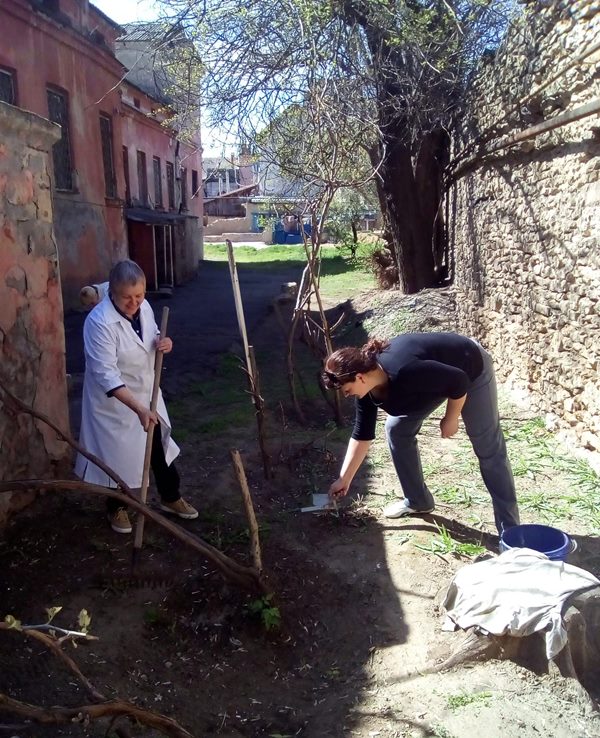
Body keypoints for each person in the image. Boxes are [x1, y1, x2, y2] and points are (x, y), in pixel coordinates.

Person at [323, 333, 520, 534]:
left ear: (359, 377)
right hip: (434, 380)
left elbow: (459, 381)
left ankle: (511, 531)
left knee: (488, 446)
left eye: (347, 390)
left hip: (469, 366)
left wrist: (451, 418)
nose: (347, 395)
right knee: (397, 430)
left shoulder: (405, 370)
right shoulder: (367, 389)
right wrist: (344, 479)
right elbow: (362, 435)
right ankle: (418, 501)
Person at [75, 260, 198, 533]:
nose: (134, 303)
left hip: (147, 391)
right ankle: (117, 507)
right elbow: (106, 375)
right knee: (117, 458)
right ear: (112, 293)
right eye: (127, 298)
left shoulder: (144, 307)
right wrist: (138, 408)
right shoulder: (99, 323)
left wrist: (163, 342)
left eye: (139, 296)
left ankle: (170, 497)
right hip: (114, 403)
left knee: (159, 447)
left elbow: (149, 336)